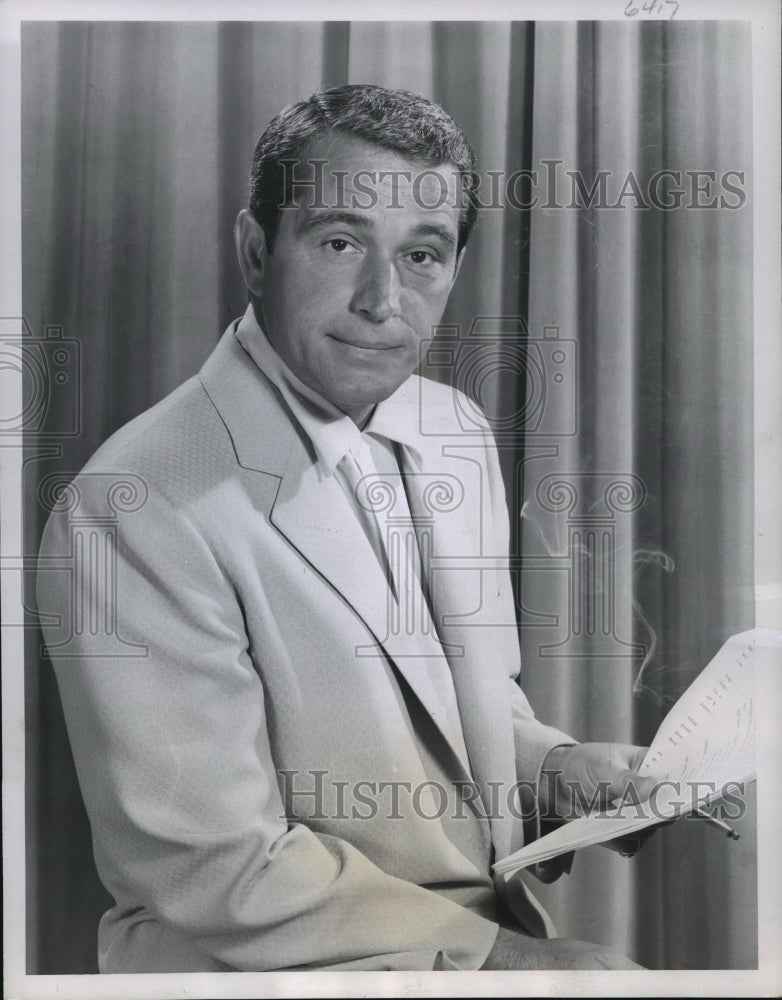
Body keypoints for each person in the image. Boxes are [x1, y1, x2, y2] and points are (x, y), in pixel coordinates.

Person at [37, 84, 653, 973]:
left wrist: (553, 768)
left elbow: (456, 711)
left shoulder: (453, 429)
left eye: (423, 256)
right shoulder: (132, 505)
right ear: (256, 251)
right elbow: (217, 868)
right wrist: (516, 966)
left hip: (462, 942)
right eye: (339, 243)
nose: (382, 301)